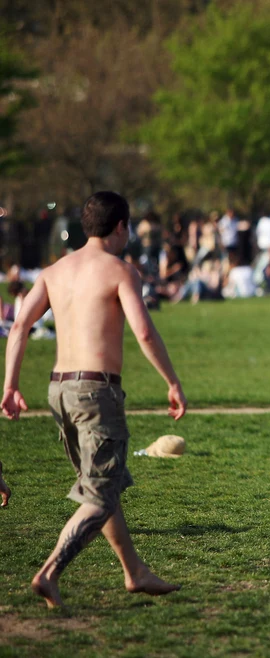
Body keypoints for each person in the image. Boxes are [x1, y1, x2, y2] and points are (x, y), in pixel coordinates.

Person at [2, 191, 188, 609]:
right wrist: (172, 381)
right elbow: (143, 333)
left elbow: (18, 329)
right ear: (121, 227)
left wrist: (10, 385)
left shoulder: (54, 271)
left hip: (59, 392)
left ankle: (134, 571)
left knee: (102, 485)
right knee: (100, 494)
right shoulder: (121, 271)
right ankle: (49, 572)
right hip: (96, 392)